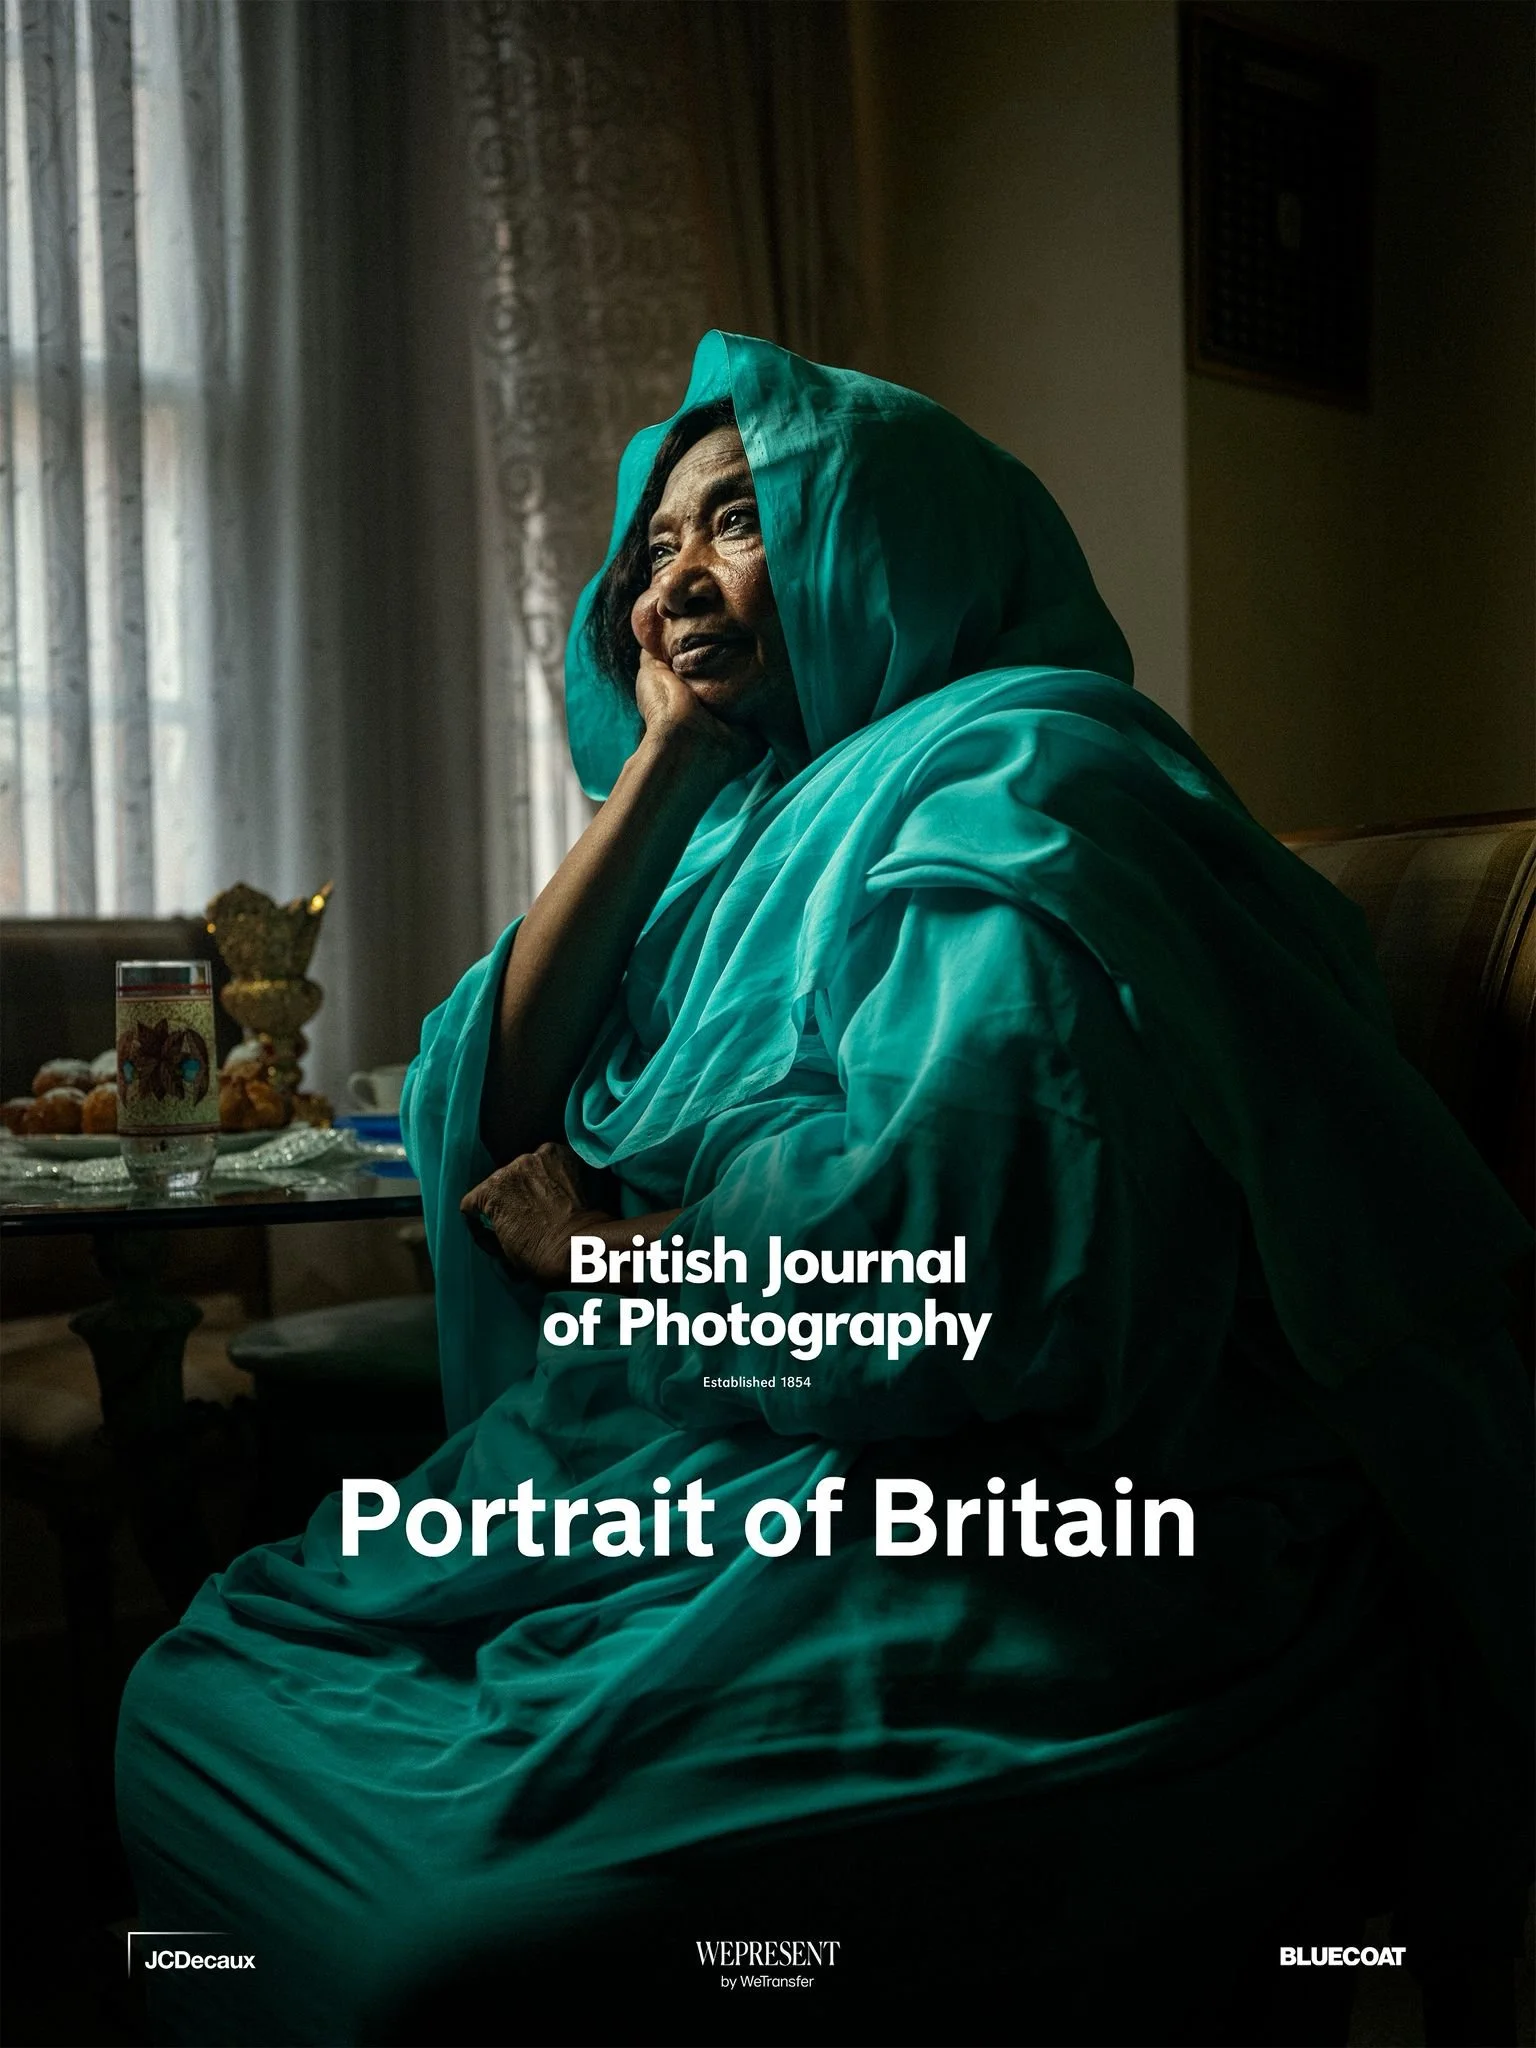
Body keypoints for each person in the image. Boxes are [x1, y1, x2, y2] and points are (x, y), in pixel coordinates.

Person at [116, 334, 1532, 2048]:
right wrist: (667, 771)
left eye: (739, 524)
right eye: (653, 553)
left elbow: (969, 1289)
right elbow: (480, 1097)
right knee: (197, 1691)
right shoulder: (747, 824)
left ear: (893, 537)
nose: (675, 584)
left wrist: (609, 1266)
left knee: (445, 1942)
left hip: (1019, 1509)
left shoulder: (1031, 777)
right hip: (706, 1467)